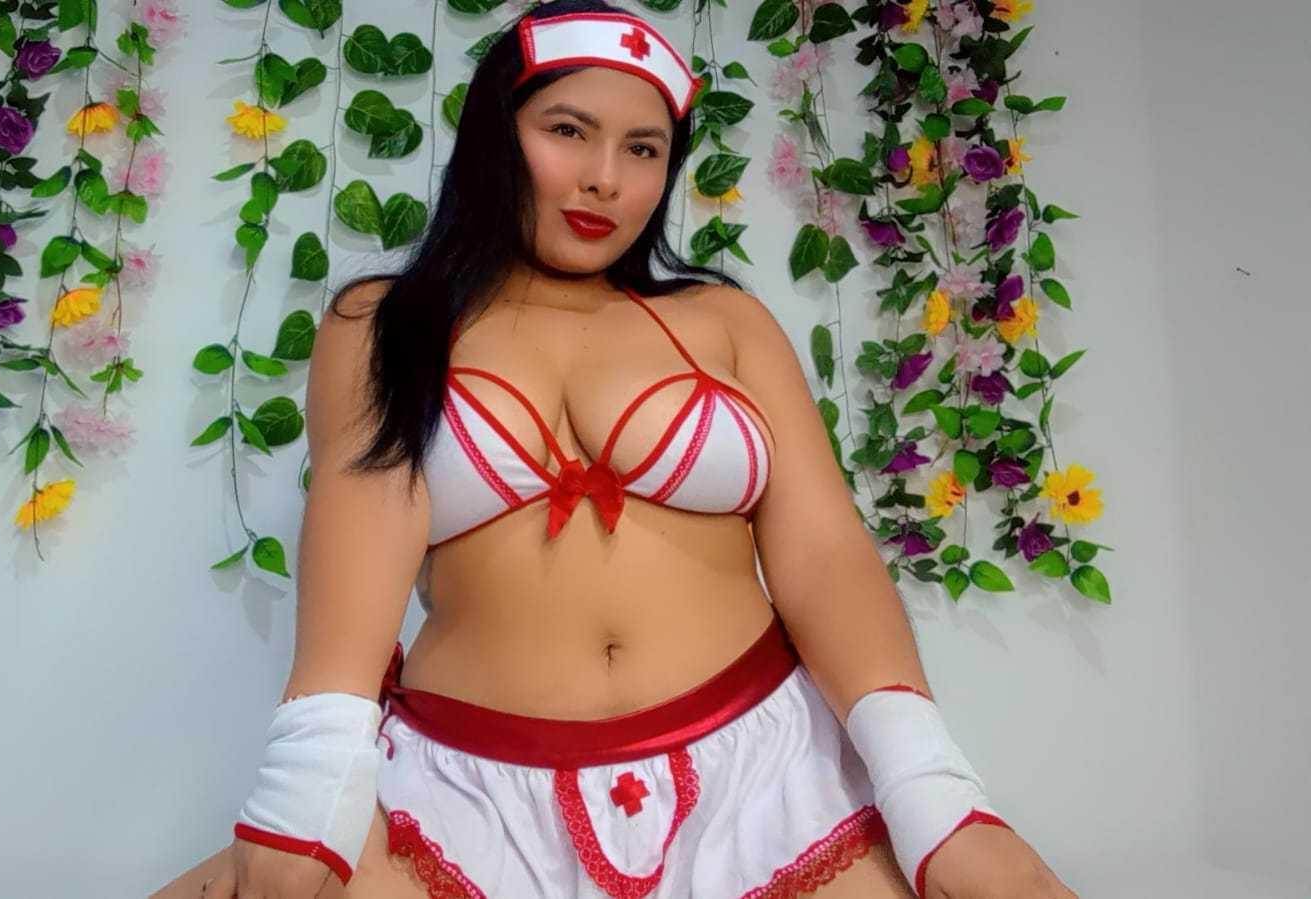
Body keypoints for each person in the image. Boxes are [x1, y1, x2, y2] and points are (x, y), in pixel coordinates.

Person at [159, 2, 1079, 897]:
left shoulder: (726, 321)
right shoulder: (383, 326)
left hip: (767, 777)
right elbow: (356, 557)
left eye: (643, 149)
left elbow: (824, 555)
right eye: (567, 130)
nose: (604, 179)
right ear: (494, 136)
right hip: (464, 796)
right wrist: (309, 788)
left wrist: (930, 789)